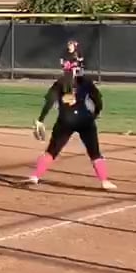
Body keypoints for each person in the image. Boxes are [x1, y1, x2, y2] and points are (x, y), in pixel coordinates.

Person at [26, 59, 114, 190]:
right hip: (85, 120)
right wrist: (96, 113)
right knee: (94, 153)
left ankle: (35, 176)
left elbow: (49, 102)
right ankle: (104, 181)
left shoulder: (60, 83)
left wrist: (41, 119)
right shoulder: (85, 82)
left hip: (65, 121)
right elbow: (98, 100)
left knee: (51, 151)